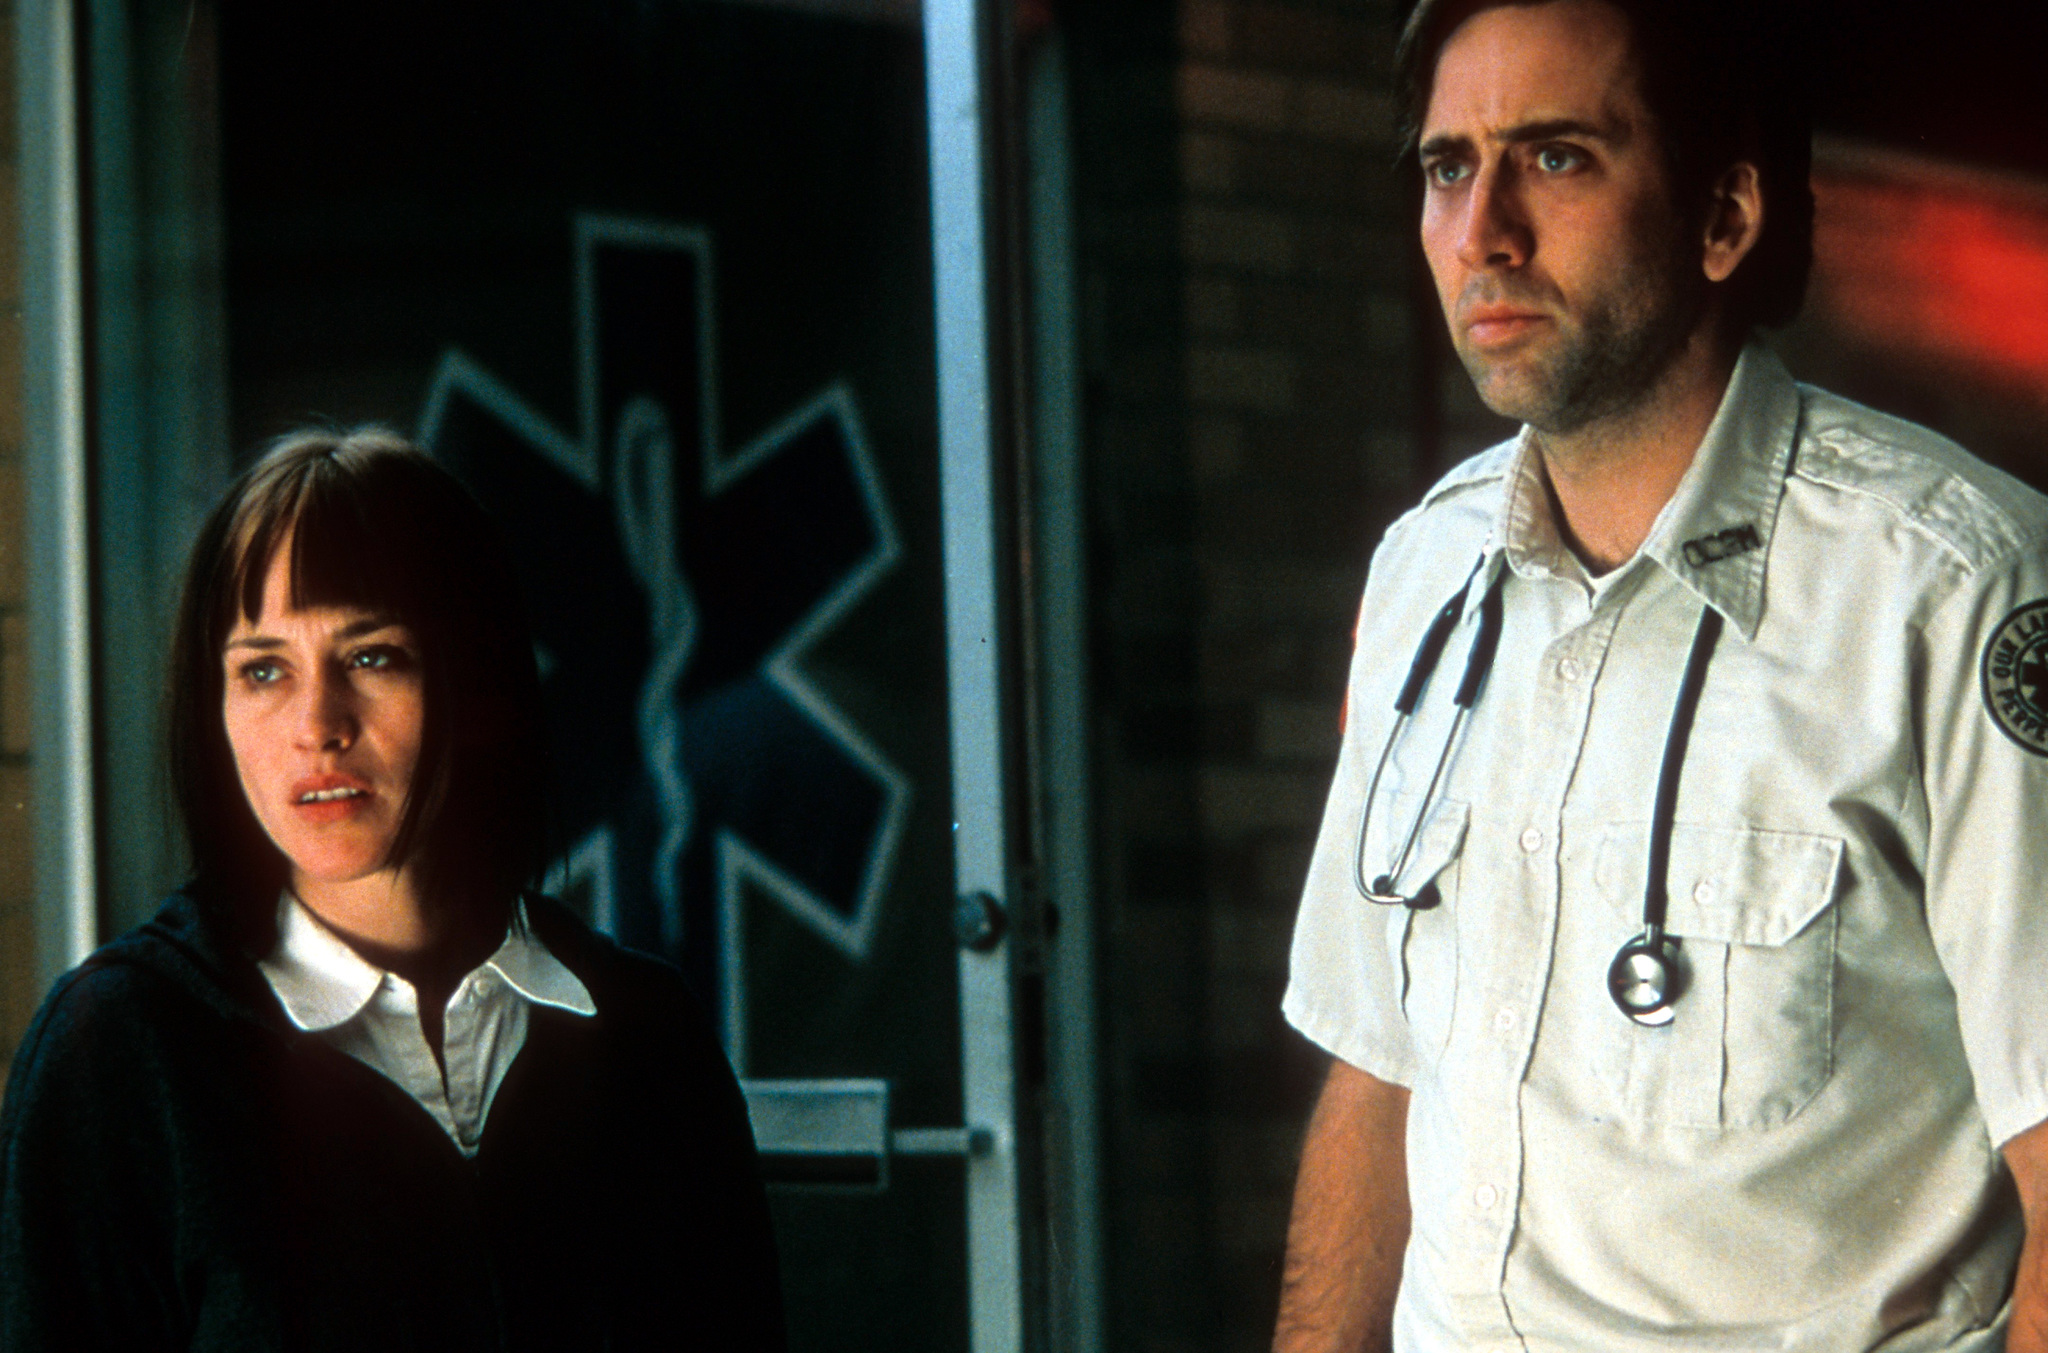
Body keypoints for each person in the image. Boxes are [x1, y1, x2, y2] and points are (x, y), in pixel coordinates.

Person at [1274, 0, 2048, 1348]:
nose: (1482, 232)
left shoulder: (1949, 587)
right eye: (1449, 166)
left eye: (1555, 157)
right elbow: (1372, 1073)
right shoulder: (1422, 576)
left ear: (1724, 217)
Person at [0, 429, 786, 1350]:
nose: (316, 726)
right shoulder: (120, 1052)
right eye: (263, 670)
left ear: (478, 683)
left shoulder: (650, 1038)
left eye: (371, 656)